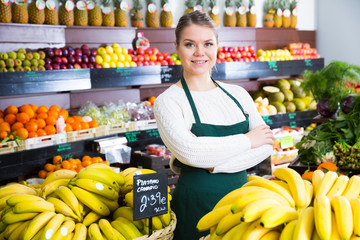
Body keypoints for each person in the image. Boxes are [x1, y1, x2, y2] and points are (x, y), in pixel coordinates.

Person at [153, 11, 274, 240]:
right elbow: (192, 152)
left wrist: (215, 165)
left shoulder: (238, 94)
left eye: (207, 43)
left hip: (243, 205)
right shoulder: (168, 101)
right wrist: (248, 140)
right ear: (177, 47)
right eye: (190, 44)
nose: (200, 52)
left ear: (217, 46)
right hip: (195, 209)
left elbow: (266, 145)